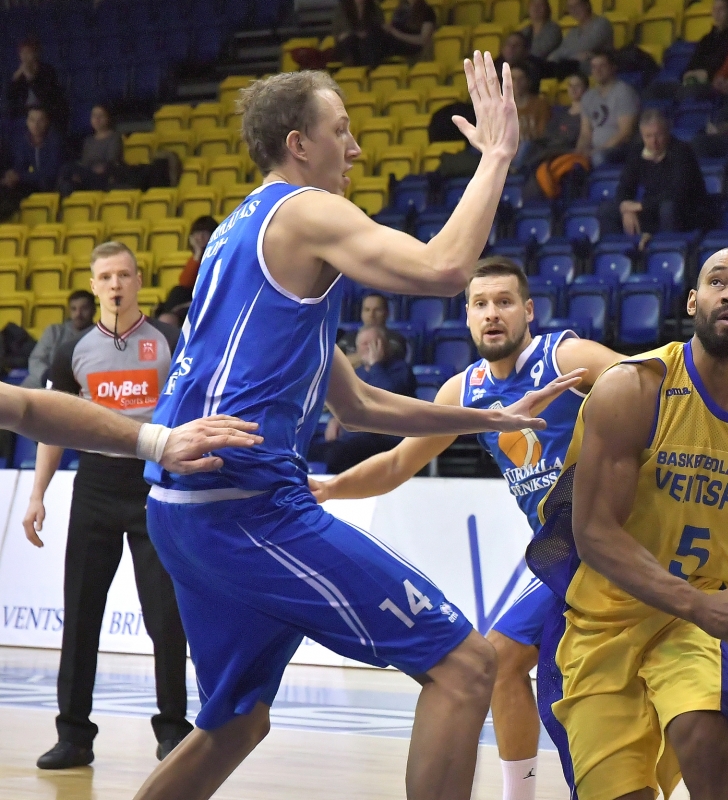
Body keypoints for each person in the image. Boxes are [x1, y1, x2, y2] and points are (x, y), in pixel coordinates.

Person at [127, 58, 583, 800]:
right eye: (341, 131)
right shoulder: (305, 210)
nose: (357, 148)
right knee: (467, 667)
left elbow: (360, 405)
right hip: (245, 507)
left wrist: (488, 417)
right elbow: (445, 267)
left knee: (236, 723)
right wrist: (498, 155)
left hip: (185, 507)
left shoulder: (244, 236)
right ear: (299, 144)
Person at [312, 257, 728, 800]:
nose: (492, 314)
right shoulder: (463, 391)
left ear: (528, 311)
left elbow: (665, 393)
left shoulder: (565, 357)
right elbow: (398, 463)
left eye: (504, 302)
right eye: (480, 304)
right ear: (465, 316)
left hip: (621, 544)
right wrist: (329, 488)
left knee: (507, 661)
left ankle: (521, 796)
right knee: (550, 680)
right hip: (575, 557)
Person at [529, 247, 728, 800]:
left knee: (705, 745)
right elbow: (596, 533)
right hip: (598, 622)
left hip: (695, 625)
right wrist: (702, 605)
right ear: (693, 301)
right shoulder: (634, 388)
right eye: (718, 282)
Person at [21, 243, 190, 769]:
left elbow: (191, 411)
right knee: (82, 613)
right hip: (94, 484)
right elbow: (51, 425)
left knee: (165, 616)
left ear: (138, 280)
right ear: (94, 286)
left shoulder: (169, 341)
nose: (115, 284)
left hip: (153, 483)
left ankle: (173, 731)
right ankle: (73, 736)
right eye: (105, 277)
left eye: (123, 275)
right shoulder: (72, 349)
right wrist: (37, 493)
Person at [600, 110, 712, 238]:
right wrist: (625, 208)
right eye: (648, 136)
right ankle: (620, 248)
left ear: (667, 132)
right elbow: (624, 187)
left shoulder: (682, 151)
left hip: (686, 211)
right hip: (652, 207)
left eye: (658, 135)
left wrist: (641, 206)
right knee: (606, 210)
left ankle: (667, 245)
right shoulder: (637, 152)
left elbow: (678, 192)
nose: (654, 141)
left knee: (667, 207)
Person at [323, 325, 416, 473]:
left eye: (375, 343)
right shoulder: (354, 373)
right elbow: (343, 400)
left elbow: (384, 395)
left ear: (385, 345)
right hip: (353, 437)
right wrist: (334, 419)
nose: (369, 348)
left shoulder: (401, 369)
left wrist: (375, 365)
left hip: (385, 436)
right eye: (364, 344)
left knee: (341, 454)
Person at [576, 50, 639, 167]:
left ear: (613, 67)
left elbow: (625, 133)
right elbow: (585, 133)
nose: (597, 70)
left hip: (619, 149)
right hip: (595, 150)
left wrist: (597, 151)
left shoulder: (624, 92)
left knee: (598, 158)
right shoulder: (588, 97)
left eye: (602, 66)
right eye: (594, 67)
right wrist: (579, 152)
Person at [0, 106, 62, 221]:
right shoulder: (22, 142)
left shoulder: (55, 142)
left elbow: (51, 172)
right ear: (27, 122)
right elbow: (19, 167)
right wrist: (11, 175)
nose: (36, 125)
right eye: (32, 120)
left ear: (47, 122)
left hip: (50, 186)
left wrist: (20, 177)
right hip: (29, 185)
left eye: (40, 120)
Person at [22, 290, 94, 388]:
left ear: (94, 310)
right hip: (44, 381)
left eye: (84, 309)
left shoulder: (99, 335)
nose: (78, 314)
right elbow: (36, 359)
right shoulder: (54, 331)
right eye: (74, 309)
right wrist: (46, 377)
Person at [58, 104, 124, 194]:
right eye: (94, 116)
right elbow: (85, 163)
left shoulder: (114, 137)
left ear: (108, 118)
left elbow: (112, 161)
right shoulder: (88, 140)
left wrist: (96, 168)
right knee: (67, 171)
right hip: (88, 174)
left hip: (104, 176)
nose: (97, 119)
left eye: (101, 116)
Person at [6, 38, 66, 129]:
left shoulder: (47, 70)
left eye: (28, 53)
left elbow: (45, 96)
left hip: (47, 110)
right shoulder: (20, 75)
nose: (24, 56)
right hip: (27, 111)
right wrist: (14, 80)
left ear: (35, 54)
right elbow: (10, 96)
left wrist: (30, 77)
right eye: (22, 53)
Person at [682, 0, 728, 88]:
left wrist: (707, 74)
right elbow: (693, 62)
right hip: (697, 82)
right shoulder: (706, 38)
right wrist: (691, 73)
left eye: (721, 9)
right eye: (714, 9)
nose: (717, 13)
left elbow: (724, 63)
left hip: (717, 85)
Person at [546, 0, 614, 77]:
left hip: (594, 71)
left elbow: (585, 46)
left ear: (587, 5)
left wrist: (566, 57)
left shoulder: (601, 23)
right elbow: (559, 52)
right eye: (570, 7)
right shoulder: (573, 32)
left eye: (578, 5)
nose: (574, 10)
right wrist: (554, 58)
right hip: (572, 70)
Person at [511, 63, 551, 172]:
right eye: (513, 79)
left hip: (533, 149)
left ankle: (513, 170)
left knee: (526, 145)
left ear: (528, 81)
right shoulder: (502, 107)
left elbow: (541, 134)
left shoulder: (540, 104)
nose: (517, 83)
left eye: (521, 79)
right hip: (510, 151)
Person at [331, 0, 386, 67]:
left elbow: (380, 28)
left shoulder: (374, 8)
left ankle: (369, 68)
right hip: (349, 43)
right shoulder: (342, 8)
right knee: (349, 42)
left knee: (370, 43)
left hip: (370, 42)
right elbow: (339, 33)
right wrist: (355, 34)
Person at [177, 215, 219, 290]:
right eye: (197, 233)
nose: (200, 237)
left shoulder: (220, 256)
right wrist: (198, 252)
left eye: (205, 233)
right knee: (178, 291)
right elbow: (185, 283)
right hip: (196, 294)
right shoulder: (195, 258)